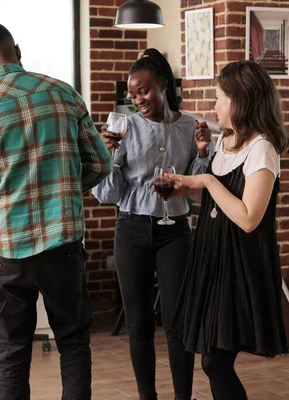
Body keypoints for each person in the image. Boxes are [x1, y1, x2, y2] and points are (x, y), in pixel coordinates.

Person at [0, 22, 112, 400]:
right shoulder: (63, 93)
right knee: (73, 342)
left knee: (11, 352)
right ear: (17, 50)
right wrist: (65, 185)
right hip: (63, 244)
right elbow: (102, 165)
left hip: (7, 249)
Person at [92, 48, 214, 400]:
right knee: (140, 324)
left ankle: (183, 397)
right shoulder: (124, 126)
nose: (138, 100)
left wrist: (203, 153)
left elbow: (197, 191)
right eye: (132, 94)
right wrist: (109, 155)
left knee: (178, 321)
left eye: (143, 91)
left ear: (162, 84)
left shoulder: (191, 126)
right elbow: (108, 194)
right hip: (131, 229)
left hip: (175, 230)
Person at [168, 60, 289, 399]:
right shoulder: (226, 141)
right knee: (212, 359)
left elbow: (249, 217)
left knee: (214, 361)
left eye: (220, 98)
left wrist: (205, 180)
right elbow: (221, 200)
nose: (214, 106)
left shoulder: (262, 149)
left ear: (240, 100)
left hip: (240, 264)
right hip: (213, 257)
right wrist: (188, 190)